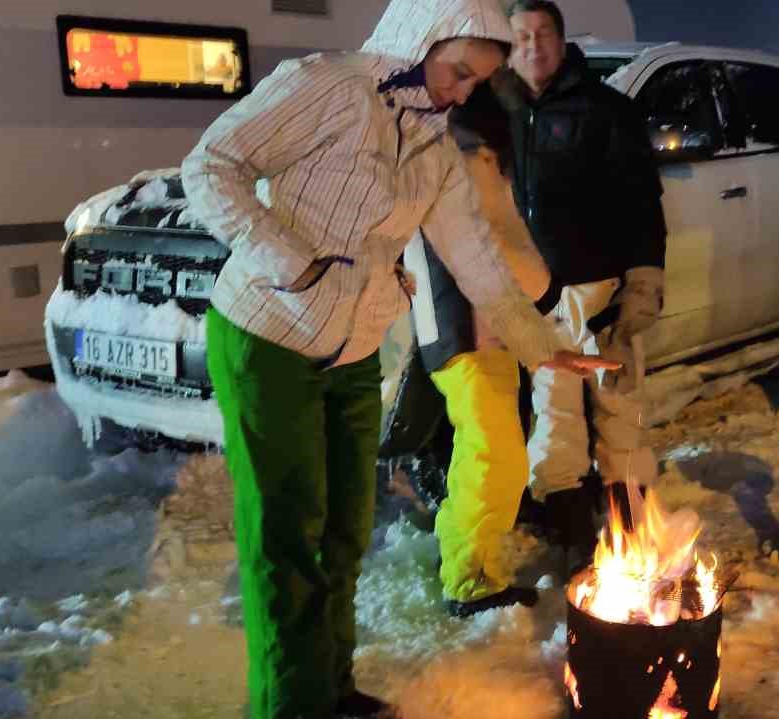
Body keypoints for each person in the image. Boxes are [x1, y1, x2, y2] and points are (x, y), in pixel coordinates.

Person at [179, 0, 612, 716]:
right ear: (423, 37)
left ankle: (332, 688)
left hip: (351, 350)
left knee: (346, 536)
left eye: (477, 82)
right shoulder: (326, 86)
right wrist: (287, 258)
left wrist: (543, 347)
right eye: (460, 71)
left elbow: (476, 259)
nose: (463, 91)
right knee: (287, 540)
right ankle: (289, 704)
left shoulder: (433, 149)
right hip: (267, 334)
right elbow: (211, 164)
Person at [502, 0, 669, 562]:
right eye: (521, 35)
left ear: (561, 37)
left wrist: (642, 287)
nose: (532, 45)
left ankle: (631, 536)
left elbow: (644, 204)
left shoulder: (606, 111)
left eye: (542, 33)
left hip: (602, 297)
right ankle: (572, 538)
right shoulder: (498, 109)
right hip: (537, 303)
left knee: (619, 415)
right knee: (555, 423)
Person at [407, 80, 558, 617]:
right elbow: (494, 243)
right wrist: (540, 285)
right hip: (465, 329)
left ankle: (467, 564)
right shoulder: (464, 157)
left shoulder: (461, 151)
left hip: (482, 329)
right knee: (494, 458)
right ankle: (468, 584)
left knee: (490, 457)